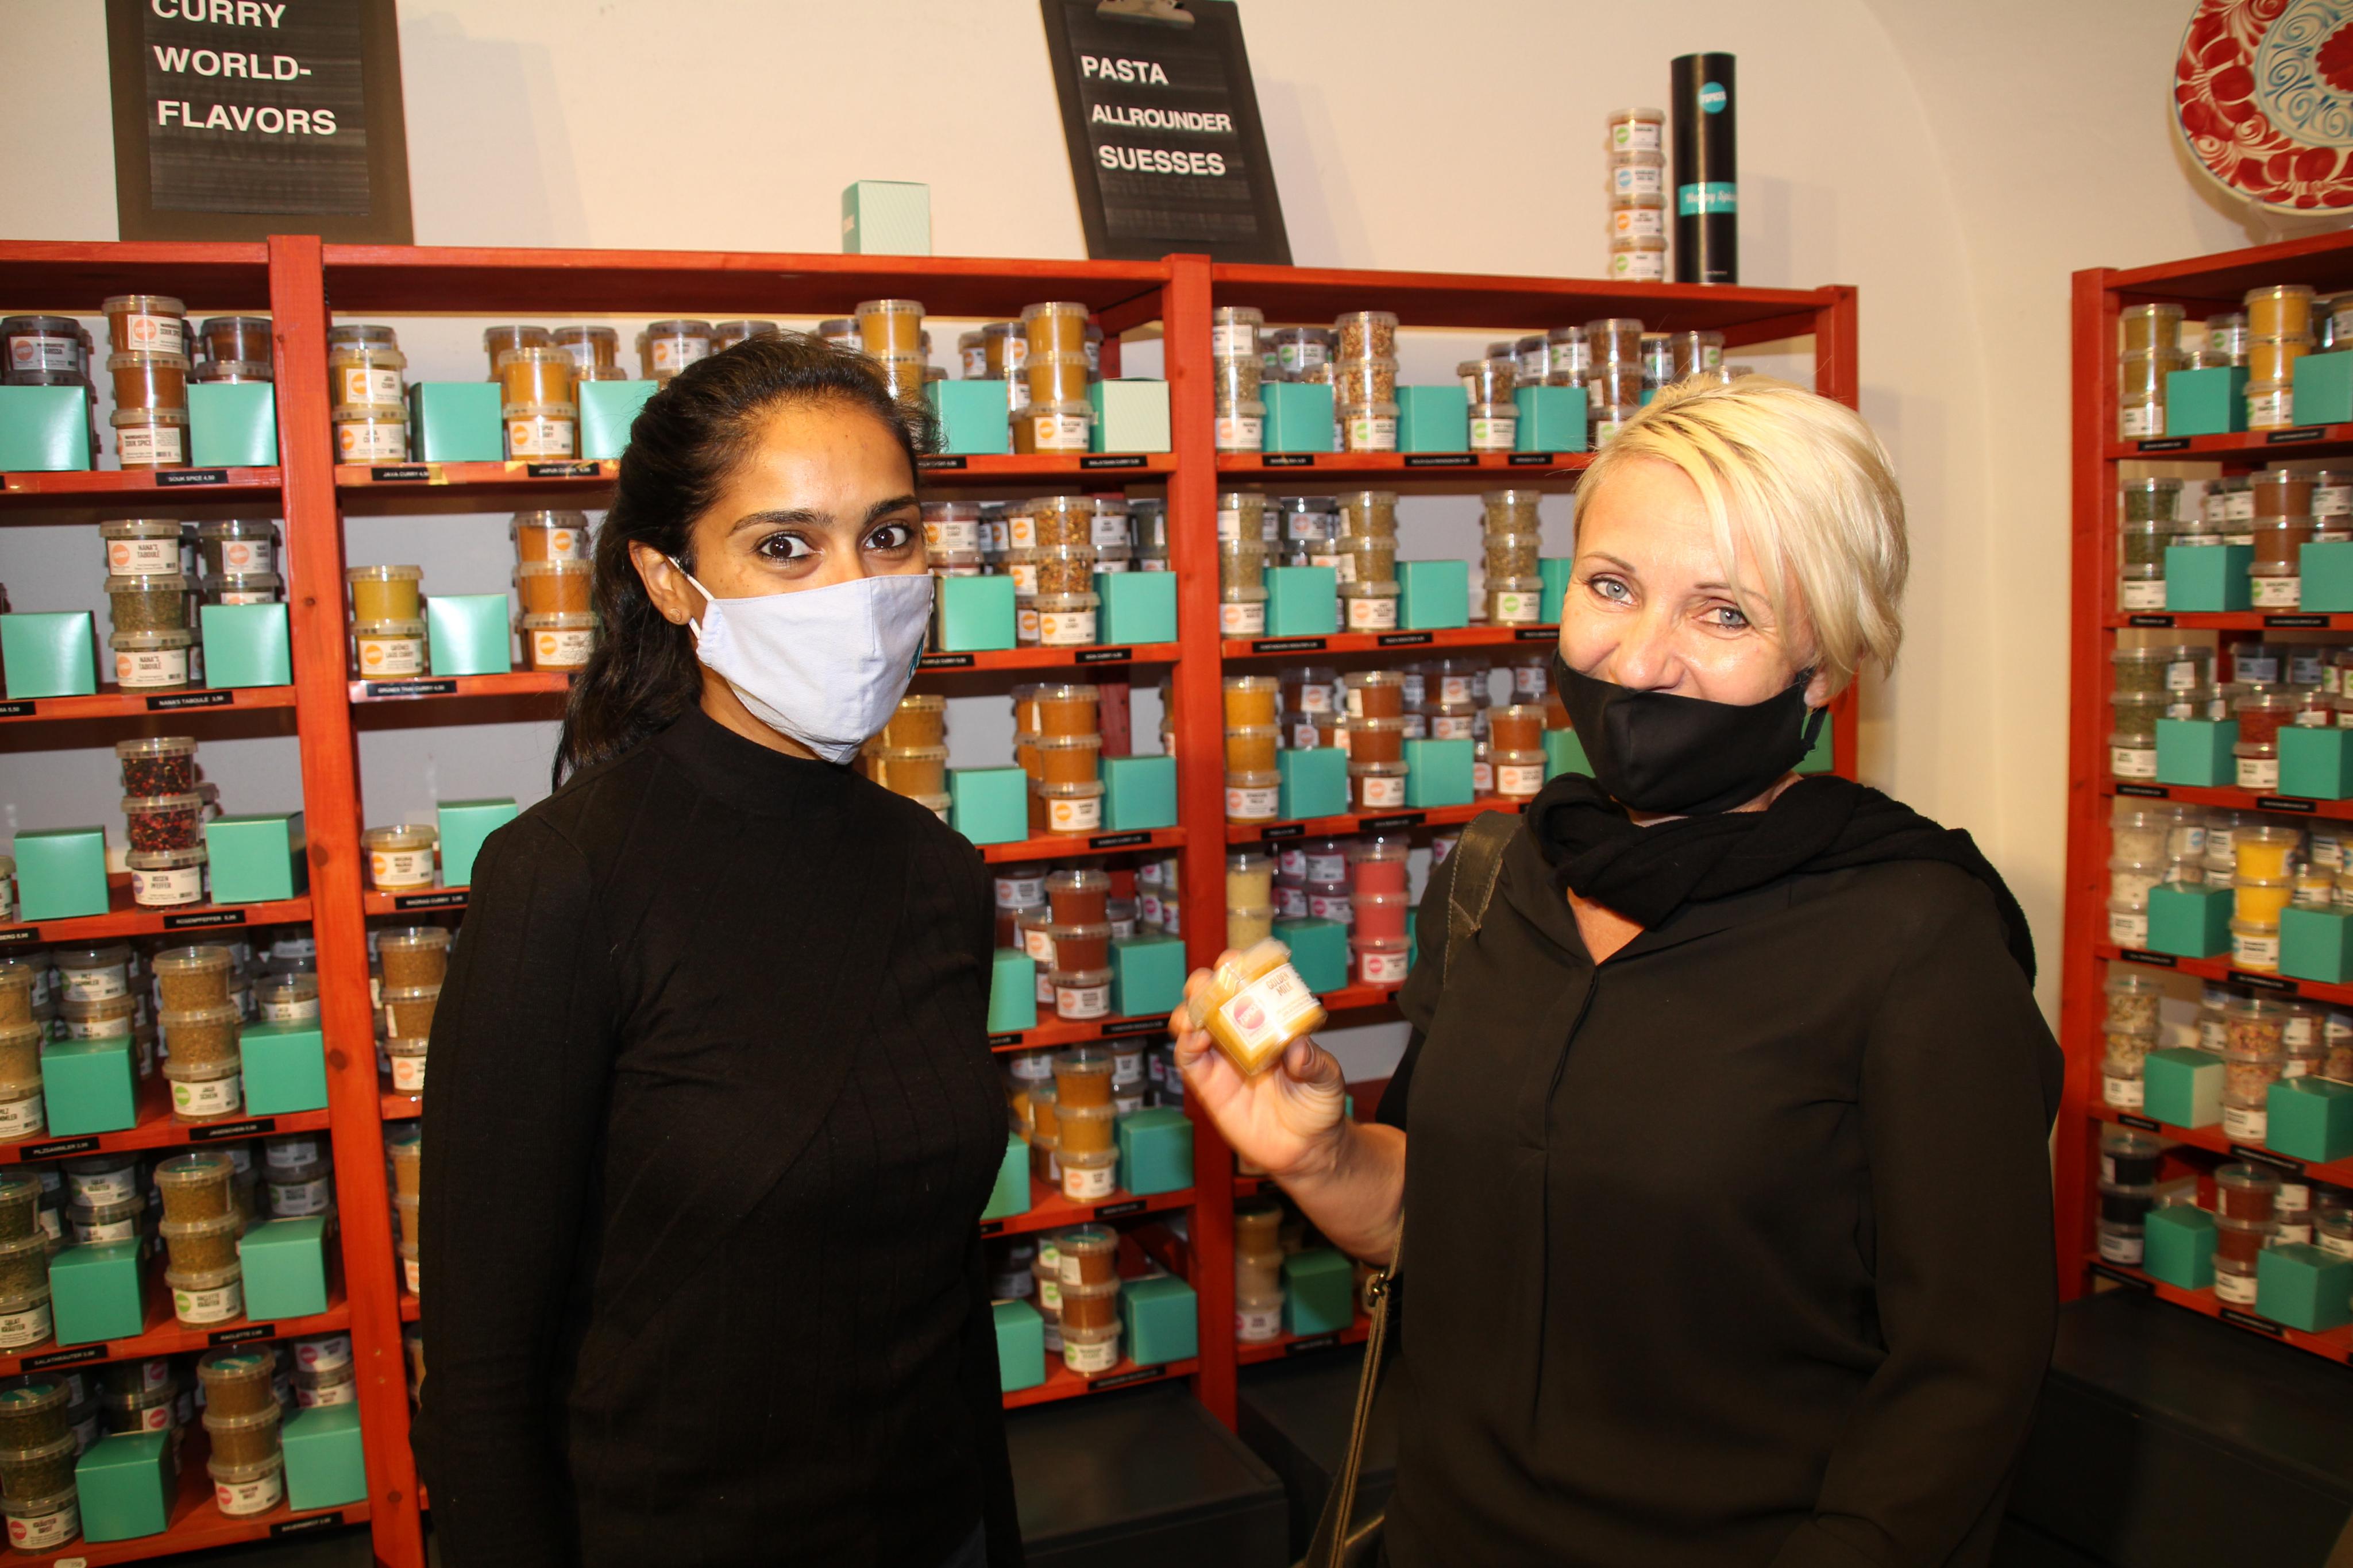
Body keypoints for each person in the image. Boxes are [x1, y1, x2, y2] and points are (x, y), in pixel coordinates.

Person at [1175, 376, 2061, 1568]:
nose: (1640, 661)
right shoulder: (1502, 876)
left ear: (1827, 665)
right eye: (1611, 586)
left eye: (1724, 613)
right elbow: (1449, 1224)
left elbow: (1966, 1375)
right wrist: (1322, 1160)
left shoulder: (1916, 939)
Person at [415, 335, 1020, 1568]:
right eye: (786, 546)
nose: (856, 590)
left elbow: (944, 1290)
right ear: (672, 579)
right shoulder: (562, 880)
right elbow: (481, 1371)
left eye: (889, 536)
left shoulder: (940, 873)